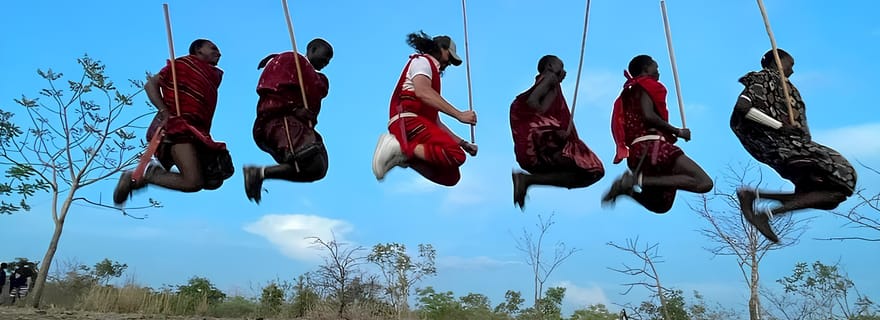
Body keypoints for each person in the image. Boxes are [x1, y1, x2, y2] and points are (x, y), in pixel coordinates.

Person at [732, 49, 857, 243]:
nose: (792, 70)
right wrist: (781, 127)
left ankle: (757, 200)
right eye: (790, 64)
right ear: (778, 62)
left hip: (795, 146)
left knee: (831, 197)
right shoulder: (762, 79)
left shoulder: (788, 88)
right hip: (780, 145)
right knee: (842, 177)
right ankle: (759, 205)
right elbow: (743, 109)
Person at [114, 39, 234, 205]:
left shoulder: (211, 76)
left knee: (213, 179)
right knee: (193, 182)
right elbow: (151, 85)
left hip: (196, 131)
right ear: (198, 51)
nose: (218, 53)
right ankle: (145, 176)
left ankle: (142, 178)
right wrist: (164, 112)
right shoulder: (183, 65)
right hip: (179, 127)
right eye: (213, 48)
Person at [602, 54, 713, 213]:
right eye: (656, 66)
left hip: (636, 154)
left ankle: (627, 189)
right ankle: (637, 180)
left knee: (660, 205)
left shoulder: (627, 93)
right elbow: (649, 115)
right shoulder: (645, 85)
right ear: (646, 69)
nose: (658, 71)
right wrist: (678, 132)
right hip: (654, 148)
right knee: (703, 182)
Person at [371, 31, 478, 187]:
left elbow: (436, 122)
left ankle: (404, 153)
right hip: (407, 121)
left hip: (418, 124)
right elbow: (423, 92)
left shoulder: (431, 72)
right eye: (450, 56)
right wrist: (459, 115)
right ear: (440, 49)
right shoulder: (422, 62)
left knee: (451, 176)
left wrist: (463, 143)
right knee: (455, 155)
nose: (449, 63)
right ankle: (400, 148)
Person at [243, 39, 334, 204]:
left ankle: (261, 173)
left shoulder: (309, 73)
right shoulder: (291, 61)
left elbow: (316, 92)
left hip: (296, 125)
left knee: (317, 168)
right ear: (313, 49)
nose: (327, 62)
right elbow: (272, 91)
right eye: (325, 56)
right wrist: (292, 108)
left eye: (329, 60)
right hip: (280, 121)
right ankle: (257, 173)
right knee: (310, 157)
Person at [509, 55, 604, 210]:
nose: (564, 72)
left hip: (546, 148)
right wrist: (553, 127)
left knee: (586, 173)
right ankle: (527, 180)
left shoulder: (551, 84)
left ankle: (528, 180)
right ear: (551, 66)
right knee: (592, 169)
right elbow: (533, 102)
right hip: (548, 141)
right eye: (561, 66)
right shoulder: (550, 78)